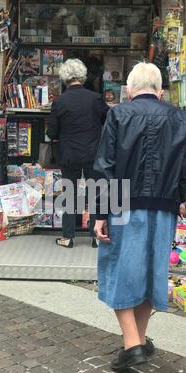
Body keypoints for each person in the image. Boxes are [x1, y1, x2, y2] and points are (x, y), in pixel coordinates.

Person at [94, 62, 186, 373]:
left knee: (118, 269)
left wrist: (100, 214)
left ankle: (133, 343)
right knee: (151, 270)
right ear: (160, 90)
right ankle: (136, 338)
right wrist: (178, 199)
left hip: (123, 203)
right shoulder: (180, 117)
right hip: (164, 205)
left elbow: (105, 166)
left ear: (128, 90)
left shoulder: (119, 114)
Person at [47, 59, 109, 249]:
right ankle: (95, 236)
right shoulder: (95, 98)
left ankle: (68, 236)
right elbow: (108, 119)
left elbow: (52, 132)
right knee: (96, 193)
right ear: (82, 76)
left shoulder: (60, 101)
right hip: (93, 152)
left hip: (69, 154)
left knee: (71, 194)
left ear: (65, 77)